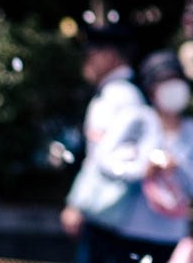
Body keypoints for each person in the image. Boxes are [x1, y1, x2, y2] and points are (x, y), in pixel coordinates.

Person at [110, 52, 193, 262]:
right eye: (164, 81)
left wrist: (179, 166)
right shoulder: (136, 120)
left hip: (172, 236)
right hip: (129, 230)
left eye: (176, 80)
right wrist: (142, 169)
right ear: (151, 90)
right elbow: (109, 161)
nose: (172, 88)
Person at [62, 25, 150, 263]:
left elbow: (103, 159)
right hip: (111, 216)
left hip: (107, 215)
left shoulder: (118, 97)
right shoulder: (121, 94)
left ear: (110, 55)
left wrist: (78, 204)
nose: (86, 61)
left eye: (91, 54)